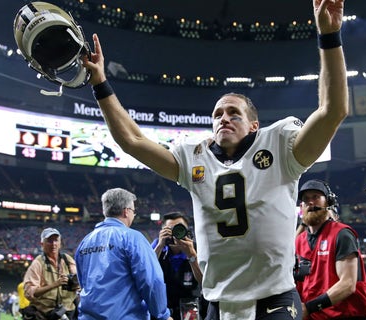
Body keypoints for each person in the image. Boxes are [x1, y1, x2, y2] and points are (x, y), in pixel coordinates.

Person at [81, 0, 348, 317]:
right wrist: (100, 82)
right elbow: (132, 139)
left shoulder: (281, 148)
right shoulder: (195, 158)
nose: (224, 118)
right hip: (217, 302)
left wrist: (329, 35)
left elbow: (333, 111)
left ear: (254, 125)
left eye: (234, 113)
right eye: (218, 114)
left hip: (273, 298)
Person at [74, 188, 172, 320]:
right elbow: (151, 281)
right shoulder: (133, 238)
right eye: (133, 211)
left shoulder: (85, 241)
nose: (134, 215)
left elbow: (83, 283)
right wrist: (162, 315)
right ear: (126, 211)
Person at [294, 180, 366, 320]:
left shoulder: (342, 234)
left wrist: (309, 307)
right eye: (306, 199)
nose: (310, 202)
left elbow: (348, 284)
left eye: (316, 197)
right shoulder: (299, 240)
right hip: (315, 316)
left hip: (346, 315)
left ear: (328, 203)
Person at [151, 212, 205, 320]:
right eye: (170, 230)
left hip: (190, 308)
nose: (175, 233)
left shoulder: (196, 249)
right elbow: (145, 270)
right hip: (163, 309)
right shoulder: (157, 247)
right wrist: (160, 246)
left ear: (187, 231)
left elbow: (204, 281)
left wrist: (191, 255)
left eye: (179, 229)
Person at [23, 228, 79, 319]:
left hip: (68, 312)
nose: (53, 244)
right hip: (46, 314)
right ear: (42, 244)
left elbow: (78, 280)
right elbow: (30, 293)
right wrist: (55, 284)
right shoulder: (38, 263)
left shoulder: (67, 259)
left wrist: (74, 283)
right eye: (49, 241)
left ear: (60, 243)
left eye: (56, 240)